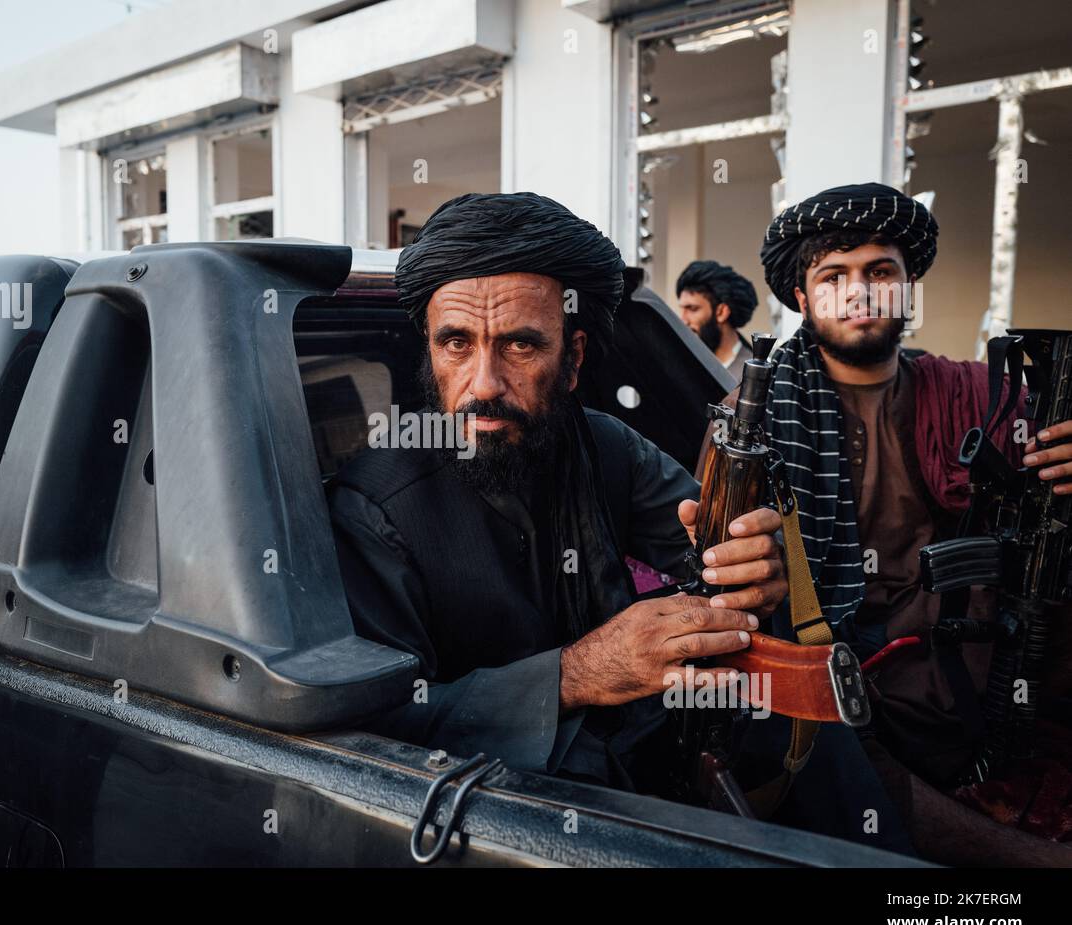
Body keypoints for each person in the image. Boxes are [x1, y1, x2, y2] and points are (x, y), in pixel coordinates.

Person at [329, 191, 913, 853]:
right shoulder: (377, 507)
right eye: (456, 344)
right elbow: (381, 736)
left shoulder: (601, 445)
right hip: (505, 805)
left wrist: (758, 560)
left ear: (574, 358)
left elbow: (712, 539)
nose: (483, 382)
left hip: (640, 748)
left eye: (520, 345)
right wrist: (576, 673)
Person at [710, 181, 1072, 864]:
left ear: (909, 288)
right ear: (800, 296)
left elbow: (1047, 440)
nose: (860, 292)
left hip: (966, 659)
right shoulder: (751, 422)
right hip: (835, 676)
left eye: (881, 272)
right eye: (834, 276)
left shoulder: (973, 391)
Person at [675, 260, 758, 379]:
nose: (683, 320)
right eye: (682, 309)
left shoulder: (753, 376)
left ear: (721, 312)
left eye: (692, 309)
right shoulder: (684, 368)